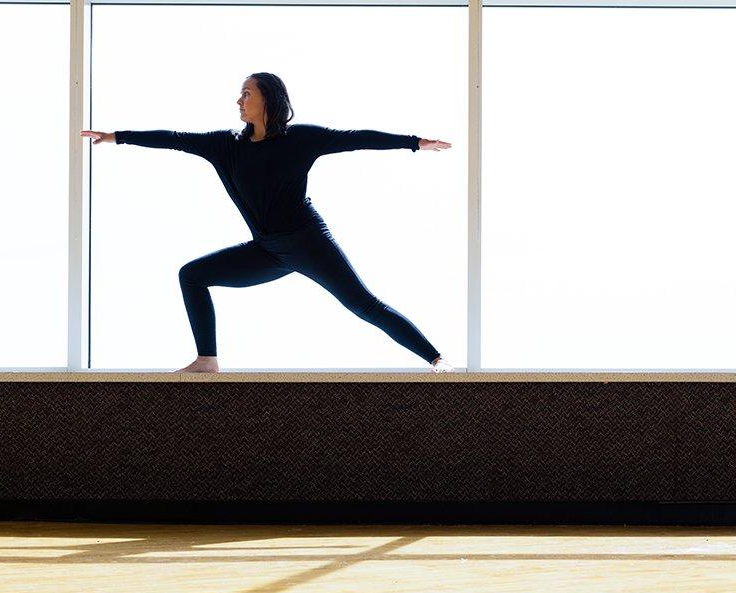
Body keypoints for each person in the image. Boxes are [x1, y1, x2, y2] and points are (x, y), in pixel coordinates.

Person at [80, 72, 455, 374]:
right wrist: (117, 138)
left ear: (268, 99)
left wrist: (414, 142)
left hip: (308, 242)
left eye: (246, 93)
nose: (239, 100)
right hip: (268, 250)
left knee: (364, 306)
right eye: (240, 94)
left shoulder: (301, 139)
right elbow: (174, 139)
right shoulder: (225, 146)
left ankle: (439, 363)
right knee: (192, 274)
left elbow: (355, 139)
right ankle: (207, 360)